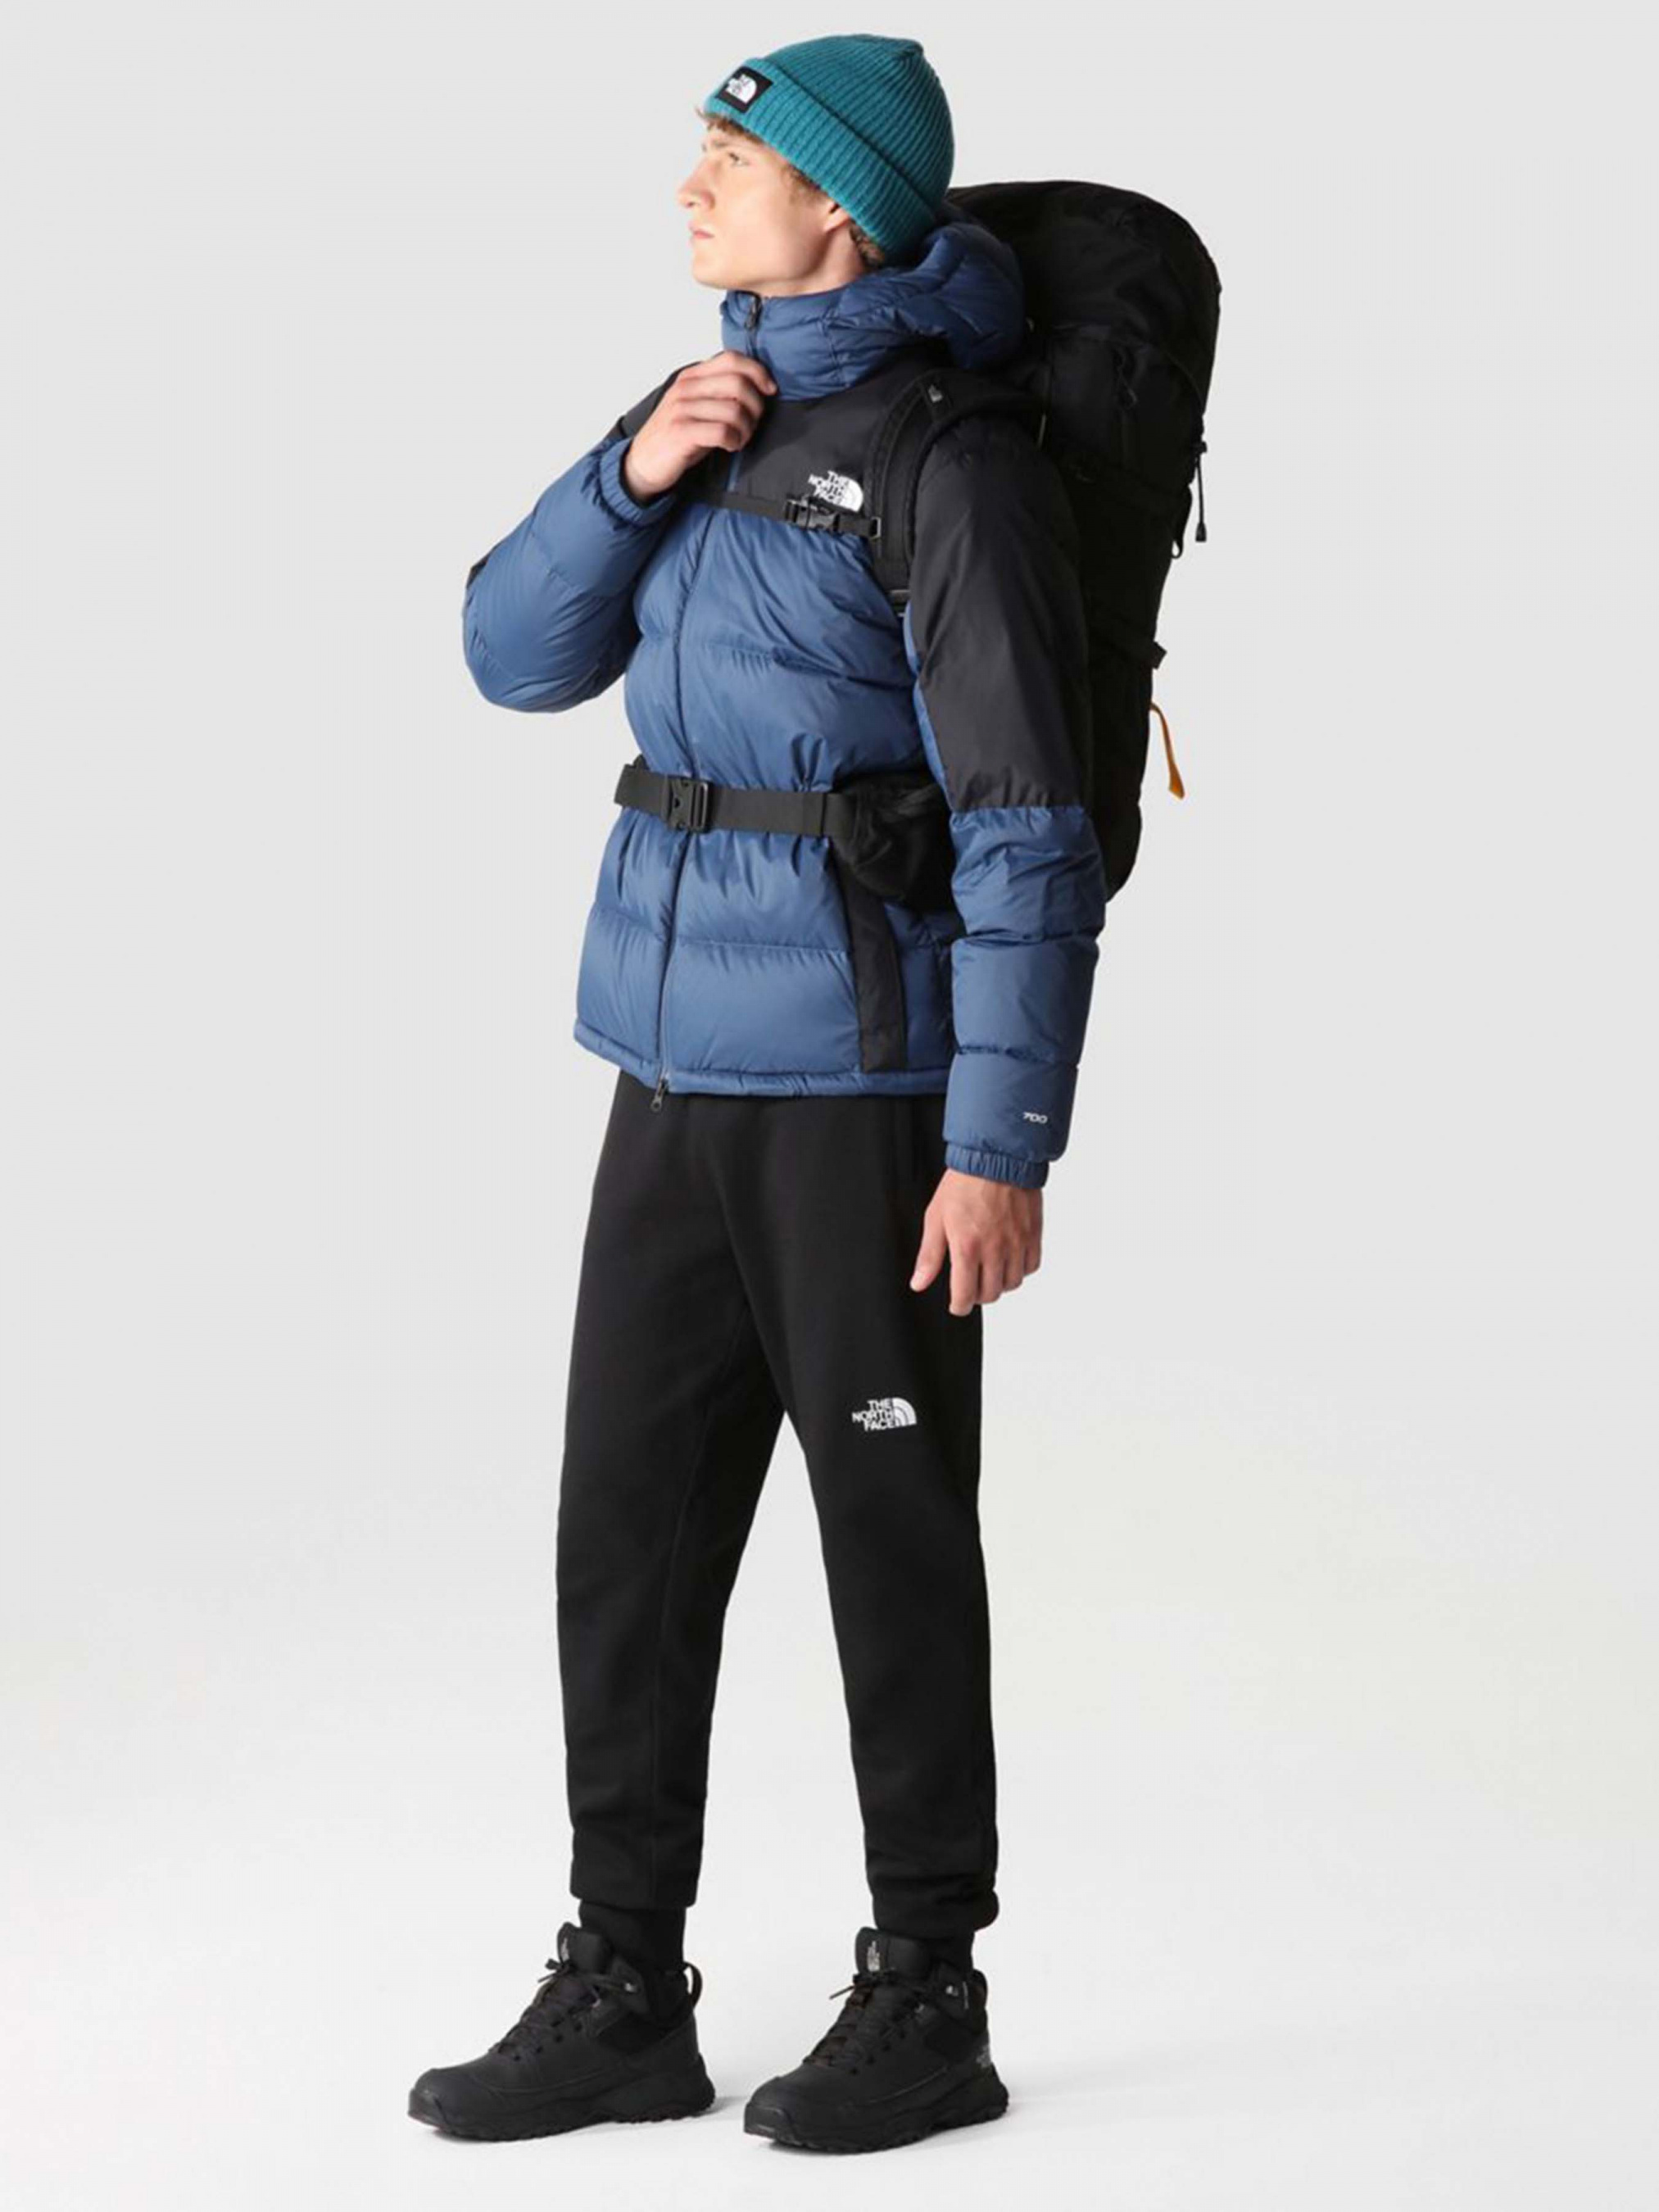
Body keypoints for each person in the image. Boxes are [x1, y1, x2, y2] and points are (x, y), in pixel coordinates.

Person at [410, 34, 1106, 2155]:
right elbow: (509, 654)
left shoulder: (949, 463)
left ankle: (929, 1990)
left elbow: (1027, 825)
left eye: (735, 154)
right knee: (622, 1532)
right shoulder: (702, 414)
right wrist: (626, 472)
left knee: (889, 1534)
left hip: (865, 1093)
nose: (693, 185)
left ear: (844, 207)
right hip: (666, 1068)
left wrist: (996, 1140)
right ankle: (624, 1981)